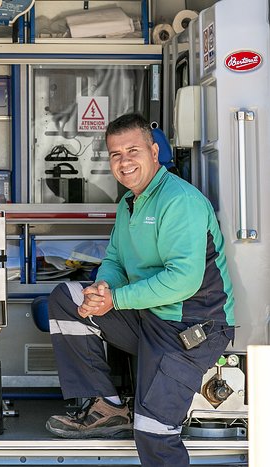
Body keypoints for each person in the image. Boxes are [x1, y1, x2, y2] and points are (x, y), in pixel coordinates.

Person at [44, 113, 235, 466]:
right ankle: (106, 408)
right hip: (148, 318)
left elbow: (183, 280)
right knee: (68, 299)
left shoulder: (180, 201)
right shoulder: (128, 203)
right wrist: (102, 288)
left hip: (191, 327)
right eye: (115, 154)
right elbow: (116, 259)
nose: (124, 161)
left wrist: (115, 299)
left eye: (133, 150)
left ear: (153, 151)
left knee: (152, 433)